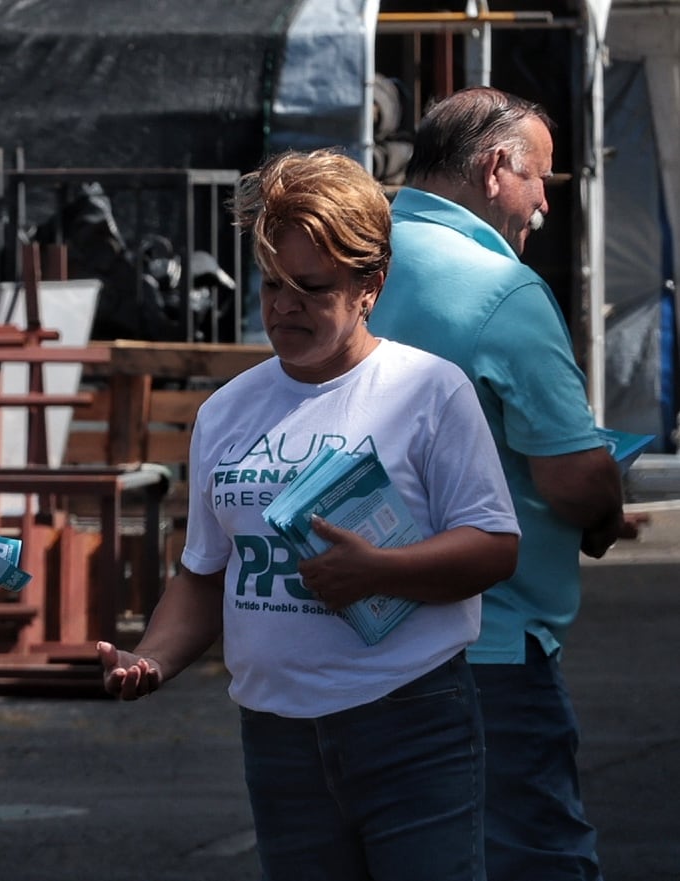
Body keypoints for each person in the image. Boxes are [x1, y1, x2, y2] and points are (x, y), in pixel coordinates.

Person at [98, 148, 520, 881]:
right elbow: (203, 573)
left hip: (409, 718)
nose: (285, 305)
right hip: (277, 736)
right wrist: (153, 657)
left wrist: (381, 571)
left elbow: (494, 546)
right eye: (272, 284)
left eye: (311, 287)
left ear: (371, 286)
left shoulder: (429, 391)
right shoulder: (227, 410)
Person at [369, 87, 630, 881]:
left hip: (353, 635)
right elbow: (574, 478)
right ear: (493, 170)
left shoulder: (351, 258)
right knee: (531, 859)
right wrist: (605, 508)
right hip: (486, 644)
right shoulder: (501, 287)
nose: (545, 204)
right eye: (539, 179)